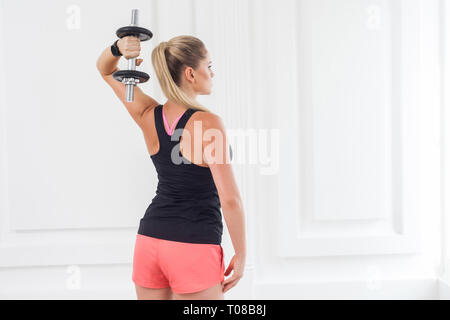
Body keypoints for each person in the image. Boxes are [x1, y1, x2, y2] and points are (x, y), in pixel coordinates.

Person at [96, 35, 246, 300]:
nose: (212, 73)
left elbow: (105, 69)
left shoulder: (147, 115)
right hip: (193, 245)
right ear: (190, 73)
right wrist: (242, 255)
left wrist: (118, 48)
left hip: (149, 241)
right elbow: (230, 199)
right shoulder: (209, 123)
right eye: (208, 66)